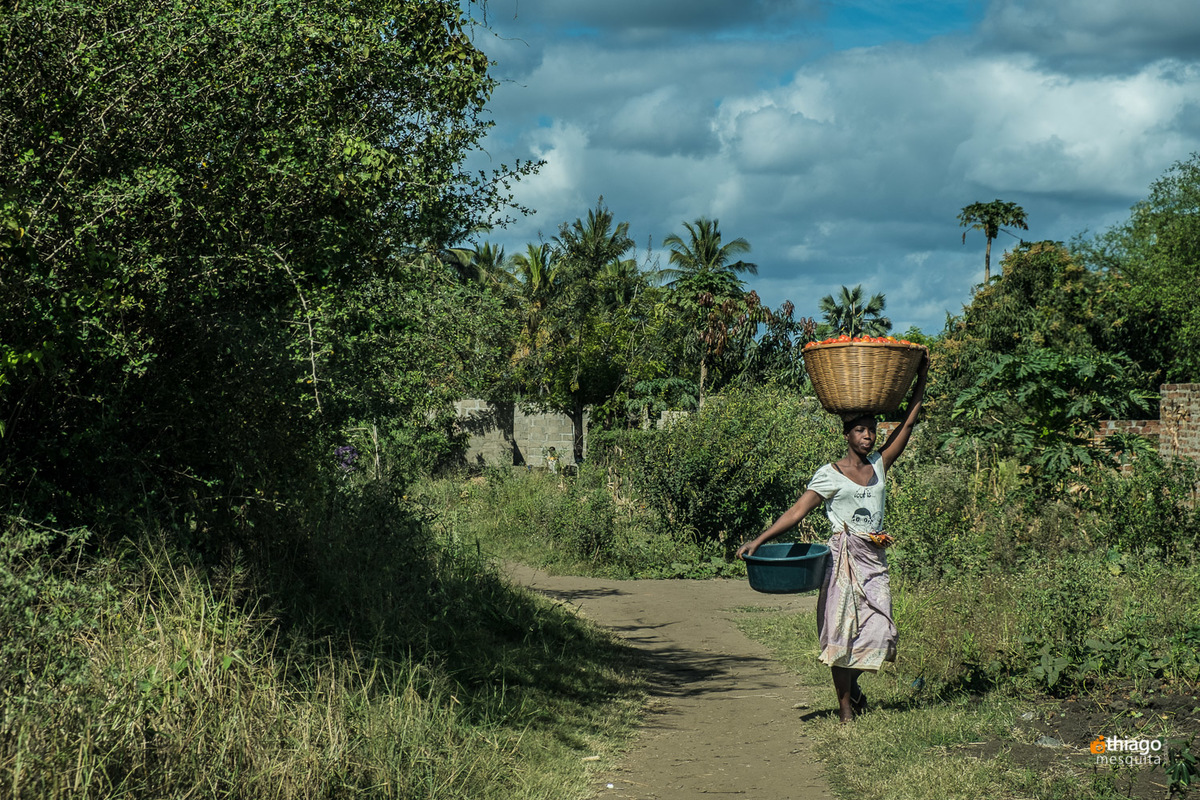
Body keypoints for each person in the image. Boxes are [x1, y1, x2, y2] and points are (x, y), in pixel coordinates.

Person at [736, 351, 929, 723]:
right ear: (847, 434)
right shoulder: (830, 474)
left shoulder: (879, 465)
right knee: (840, 631)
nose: (868, 436)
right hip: (841, 559)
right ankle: (845, 710)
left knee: (882, 631)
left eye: (872, 430)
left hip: (873, 561)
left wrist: (921, 378)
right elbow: (796, 512)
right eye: (860, 429)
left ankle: (853, 686)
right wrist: (757, 540)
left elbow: (908, 424)